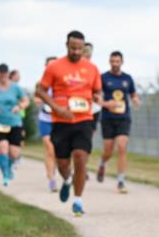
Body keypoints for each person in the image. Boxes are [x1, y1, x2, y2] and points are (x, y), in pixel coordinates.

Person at [36, 30, 103, 217]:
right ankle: (68, 180)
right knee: (63, 163)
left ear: (84, 48)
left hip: (84, 119)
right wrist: (57, 108)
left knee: (81, 157)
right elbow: (40, 91)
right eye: (73, 48)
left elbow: (97, 91)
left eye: (80, 49)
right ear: (67, 46)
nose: (76, 52)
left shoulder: (92, 69)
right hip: (61, 120)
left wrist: (98, 97)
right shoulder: (54, 67)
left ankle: (78, 200)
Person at [97, 51, 141, 193]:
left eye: (117, 61)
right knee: (108, 150)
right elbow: (96, 97)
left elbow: (133, 94)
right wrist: (105, 104)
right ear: (109, 62)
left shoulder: (127, 78)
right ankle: (103, 163)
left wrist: (135, 99)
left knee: (122, 147)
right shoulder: (103, 78)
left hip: (123, 118)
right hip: (108, 118)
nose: (115, 64)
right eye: (113, 61)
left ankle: (121, 181)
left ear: (122, 62)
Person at [0, 63, 30, 186]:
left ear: (8, 74)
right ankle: (5, 174)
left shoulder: (16, 88)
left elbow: (26, 100)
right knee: (3, 147)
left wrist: (19, 106)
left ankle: (9, 167)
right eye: (1, 73)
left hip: (14, 122)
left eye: (5, 73)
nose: (3, 76)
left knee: (14, 152)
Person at [35, 57, 59, 192]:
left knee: (60, 151)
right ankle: (51, 179)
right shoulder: (41, 83)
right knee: (50, 149)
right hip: (45, 119)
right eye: (49, 66)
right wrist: (41, 100)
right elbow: (36, 98)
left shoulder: (62, 82)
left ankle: (61, 173)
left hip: (59, 121)